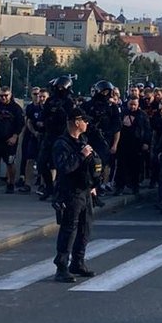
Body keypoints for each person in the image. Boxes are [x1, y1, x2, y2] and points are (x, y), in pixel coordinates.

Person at [51, 105, 102, 282]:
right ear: (77, 122)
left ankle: (78, 262)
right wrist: (81, 155)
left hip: (85, 191)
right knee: (69, 229)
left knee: (85, 228)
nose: (87, 123)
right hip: (70, 192)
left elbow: (90, 166)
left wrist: (94, 184)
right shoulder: (61, 144)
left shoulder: (83, 140)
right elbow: (64, 167)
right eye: (85, 120)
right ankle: (62, 266)